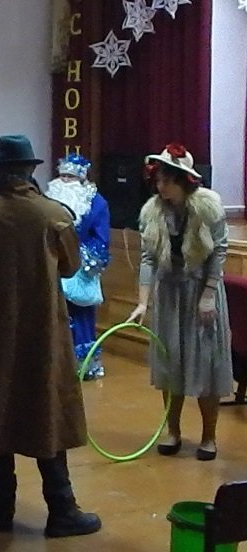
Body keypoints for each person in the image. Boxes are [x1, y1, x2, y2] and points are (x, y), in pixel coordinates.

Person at [0, 134, 101, 538]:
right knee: (47, 411)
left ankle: (2, 505)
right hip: (42, 336)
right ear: (30, 169)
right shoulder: (53, 215)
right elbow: (69, 267)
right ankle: (61, 509)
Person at [127, 144, 231, 461]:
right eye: (157, 180)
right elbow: (148, 258)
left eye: (166, 180)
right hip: (171, 293)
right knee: (169, 362)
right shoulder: (153, 212)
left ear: (183, 181)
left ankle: (209, 437)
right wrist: (143, 302)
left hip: (201, 290)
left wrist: (208, 296)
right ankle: (172, 431)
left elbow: (219, 251)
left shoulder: (208, 207)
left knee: (206, 363)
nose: (160, 186)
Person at [45, 153, 110, 379]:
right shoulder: (47, 201)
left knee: (80, 316)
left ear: (81, 179)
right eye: (62, 176)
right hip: (51, 268)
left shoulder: (97, 203)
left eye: (70, 177)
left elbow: (101, 240)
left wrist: (76, 256)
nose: (64, 181)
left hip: (80, 270)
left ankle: (83, 365)